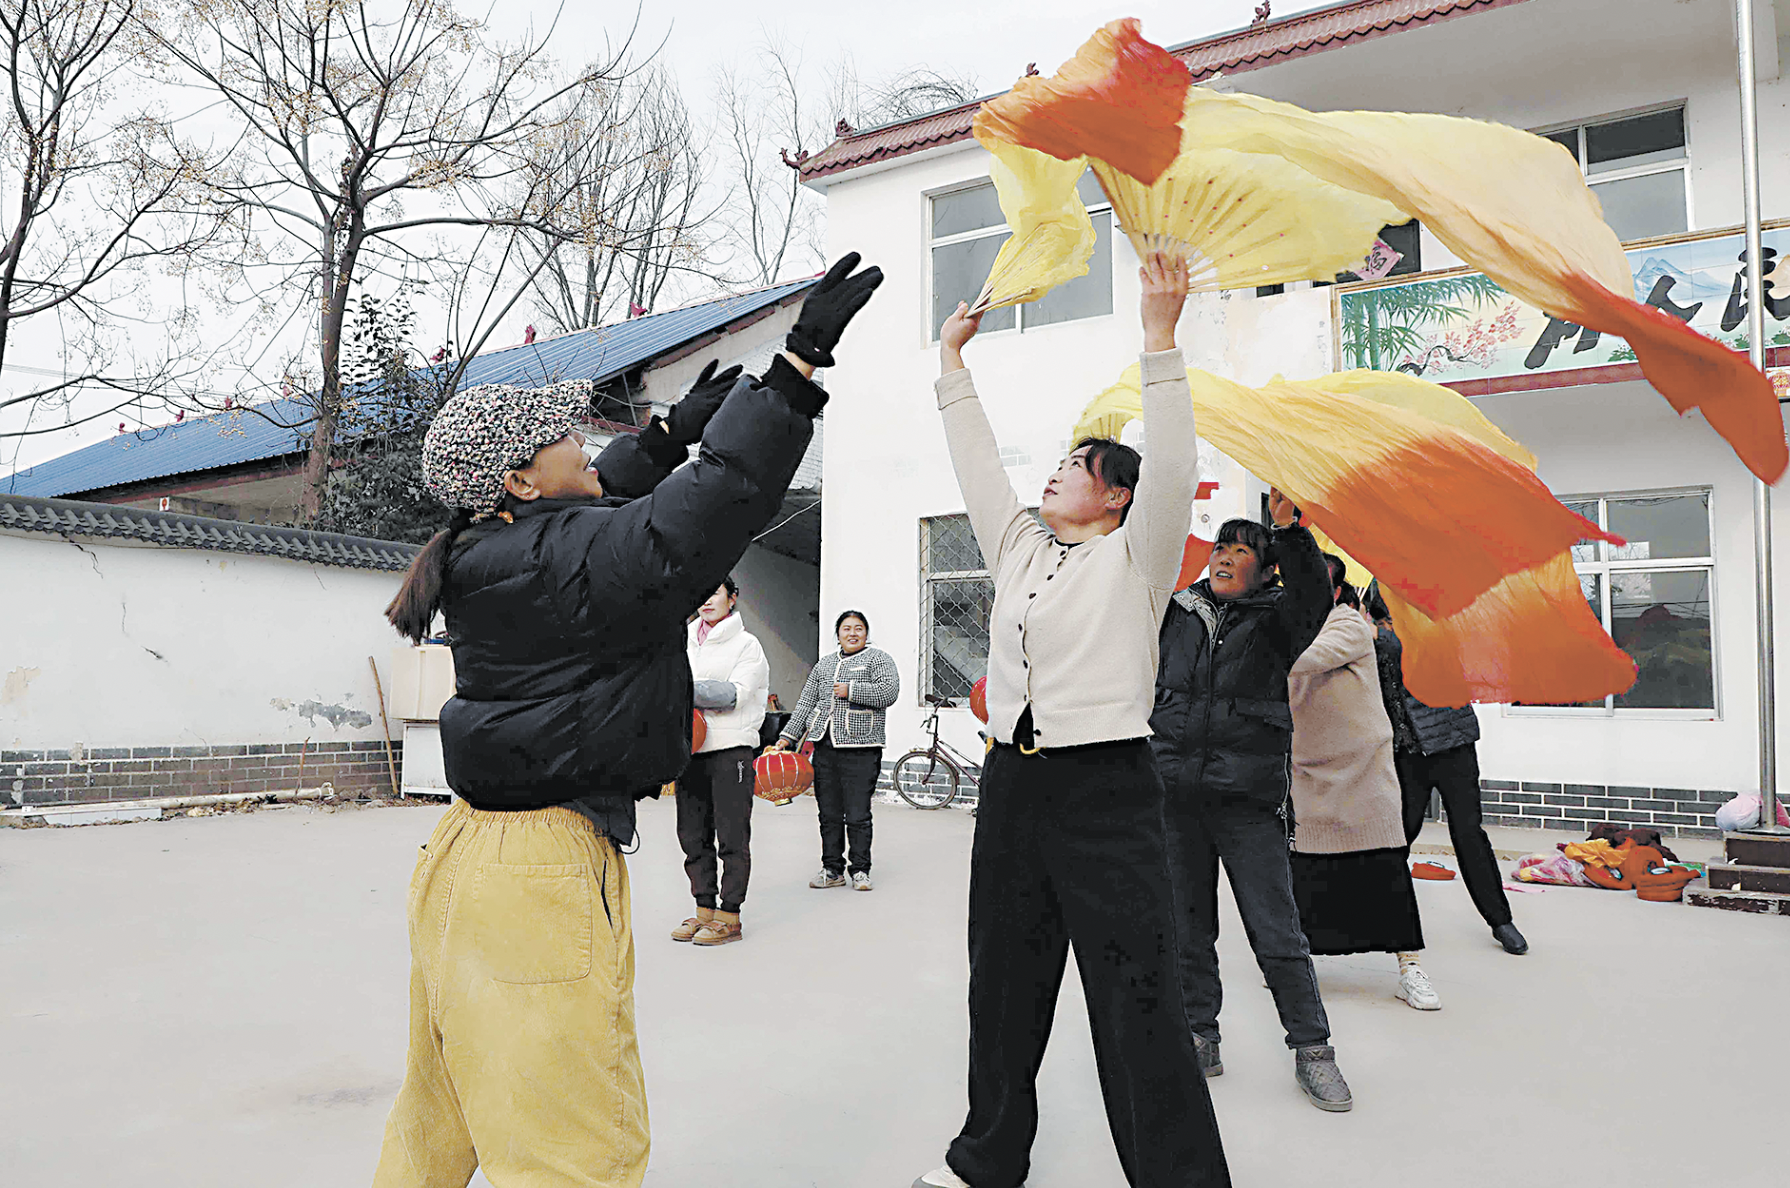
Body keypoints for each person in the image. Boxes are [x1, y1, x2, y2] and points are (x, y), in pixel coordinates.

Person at [369, 252, 882, 1188]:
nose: (580, 443)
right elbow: (704, 511)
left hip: (465, 861)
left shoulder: (492, 545)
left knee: (437, 1125)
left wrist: (669, 432)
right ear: (521, 480)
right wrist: (796, 369)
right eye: (563, 435)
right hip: (538, 873)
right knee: (577, 1153)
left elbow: (599, 490)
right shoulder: (568, 557)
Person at [913, 253, 1228, 1188]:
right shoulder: (1018, 548)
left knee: (1137, 998)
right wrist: (952, 365)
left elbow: (1174, 465)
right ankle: (986, 1160)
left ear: (1117, 496)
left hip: (1109, 792)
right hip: (1013, 785)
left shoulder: (1136, 560)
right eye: (1055, 466)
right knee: (1002, 988)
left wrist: (1159, 342)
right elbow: (975, 463)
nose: (1053, 478)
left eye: (1075, 469)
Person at [1150, 503, 1349, 1112]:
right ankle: (1199, 1037)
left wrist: (1290, 532)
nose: (1225, 557)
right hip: (1175, 796)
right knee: (1187, 929)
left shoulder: (1278, 621)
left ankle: (1313, 1052)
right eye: (1221, 548)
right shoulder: (1174, 612)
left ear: (1267, 573)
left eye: (1242, 551)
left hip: (1247, 800)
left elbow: (1314, 591)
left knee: (1276, 932)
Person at [1287, 557, 1439, 1025]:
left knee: (1385, 871)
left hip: (1364, 772)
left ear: (1335, 591)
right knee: (1307, 876)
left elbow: (1300, 658)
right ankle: (1298, 968)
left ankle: (1410, 967)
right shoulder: (1286, 626)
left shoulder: (1348, 624)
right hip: (1309, 772)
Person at [1364, 583, 1529, 956]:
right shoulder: (1372, 632)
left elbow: (1414, 650)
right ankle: (1373, 916)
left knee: (1468, 833)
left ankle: (1500, 920)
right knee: (1398, 835)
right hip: (1406, 753)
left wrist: (1378, 633)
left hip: (1452, 745)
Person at [776, 610, 900, 891]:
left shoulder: (878, 659)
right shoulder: (824, 664)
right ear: (838, 634)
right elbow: (806, 702)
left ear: (866, 634)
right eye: (846, 628)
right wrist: (787, 737)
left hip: (862, 748)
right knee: (828, 813)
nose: (852, 633)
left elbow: (889, 692)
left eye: (858, 628)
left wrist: (852, 690)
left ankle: (860, 870)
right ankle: (832, 869)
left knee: (858, 813)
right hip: (825, 747)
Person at [676, 576, 770, 946]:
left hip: (731, 749)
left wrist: (677, 687)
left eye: (715, 592)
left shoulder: (748, 646)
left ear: (732, 599)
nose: (707, 600)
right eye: (702, 593)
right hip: (690, 749)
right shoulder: (683, 640)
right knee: (692, 835)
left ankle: (729, 914)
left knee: (731, 835)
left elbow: (732, 694)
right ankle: (703, 910)